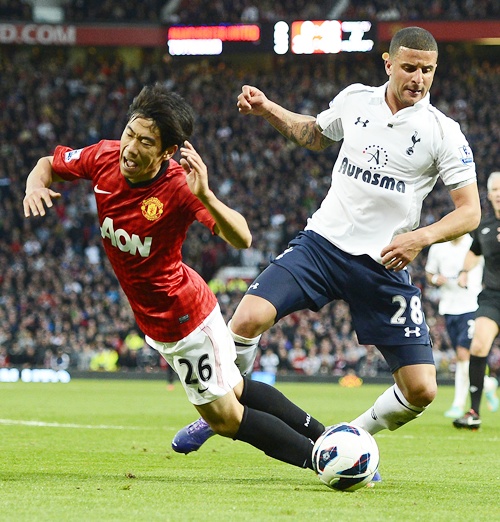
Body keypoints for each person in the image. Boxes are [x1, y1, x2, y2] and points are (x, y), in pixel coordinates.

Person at [173, 27, 481, 461]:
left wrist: (420, 237)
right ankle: (220, 408)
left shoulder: (443, 133)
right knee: (245, 319)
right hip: (322, 245)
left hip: (383, 264)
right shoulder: (355, 100)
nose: (418, 78)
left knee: (421, 389)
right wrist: (268, 109)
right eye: (409, 67)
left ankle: (350, 438)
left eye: (427, 70)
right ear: (388, 64)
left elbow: (470, 211)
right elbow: (315, 133)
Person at [23, 83, 329, 472]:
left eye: (146, 142)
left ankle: (325, 459)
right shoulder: (104, 156)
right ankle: (328, 437)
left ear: (167, 152)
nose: (131, 147)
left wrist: (206, 196)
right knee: (235, 388)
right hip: (162, 316)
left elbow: (243, 237)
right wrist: (35, 185)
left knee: (226, 419)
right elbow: (49, 164)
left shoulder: (179, 186)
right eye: (130, 133)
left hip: (183, 318)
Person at [425, 235, 498, 417]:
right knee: (461, 356)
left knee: (464, 353)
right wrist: (435, 279)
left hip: (472, 305)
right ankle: (488, 384)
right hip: (449, 307)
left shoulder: (473, 243)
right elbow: (429, 273)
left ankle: (458, 404)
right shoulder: (438, 247)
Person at [453, 171, 500, 429]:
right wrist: (464, 271)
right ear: (489, 194)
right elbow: (474, 252)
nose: (499, 194)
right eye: (495, 189)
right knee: (479, 345)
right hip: (492, 296)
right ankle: (474, 412)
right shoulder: (484, 226)